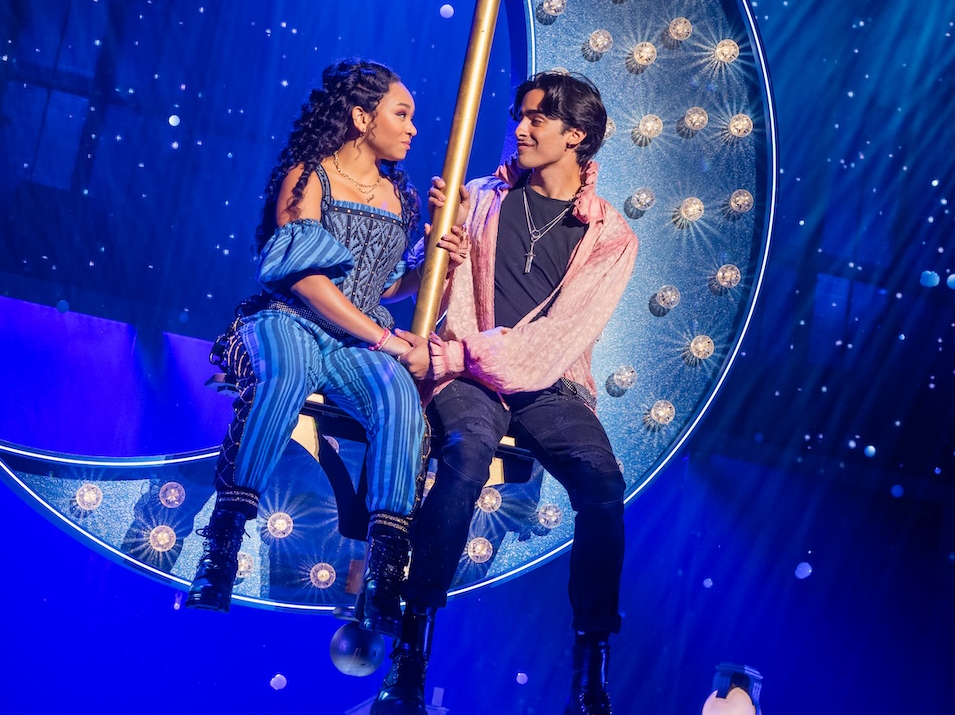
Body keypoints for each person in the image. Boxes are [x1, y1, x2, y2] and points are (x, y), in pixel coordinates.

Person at [372, 71, 638, 715]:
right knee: (464, 456)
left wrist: (452, 354)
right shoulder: (481, 198)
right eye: (520, 115)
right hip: (467, 377)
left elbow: (554, 341)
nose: (520, 129)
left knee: (604, 486)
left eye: (537, 119)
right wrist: (438, 248)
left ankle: (590, 671)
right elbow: (421, 288)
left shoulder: (611, 237)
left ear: (576, 135)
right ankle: (411, 652)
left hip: (545, 381)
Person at [185, 58, 461, 638]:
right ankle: (222, 548)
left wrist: (435, 261)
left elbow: (383, 284)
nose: (413, 128)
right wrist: (385, 337)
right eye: (401, 114)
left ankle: (385, 576)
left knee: (399, 400)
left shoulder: (401, 196)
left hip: (355, 336)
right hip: (293, 318)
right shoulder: (308, 177)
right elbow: (308, 281)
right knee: (286, 376)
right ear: (362, 117)